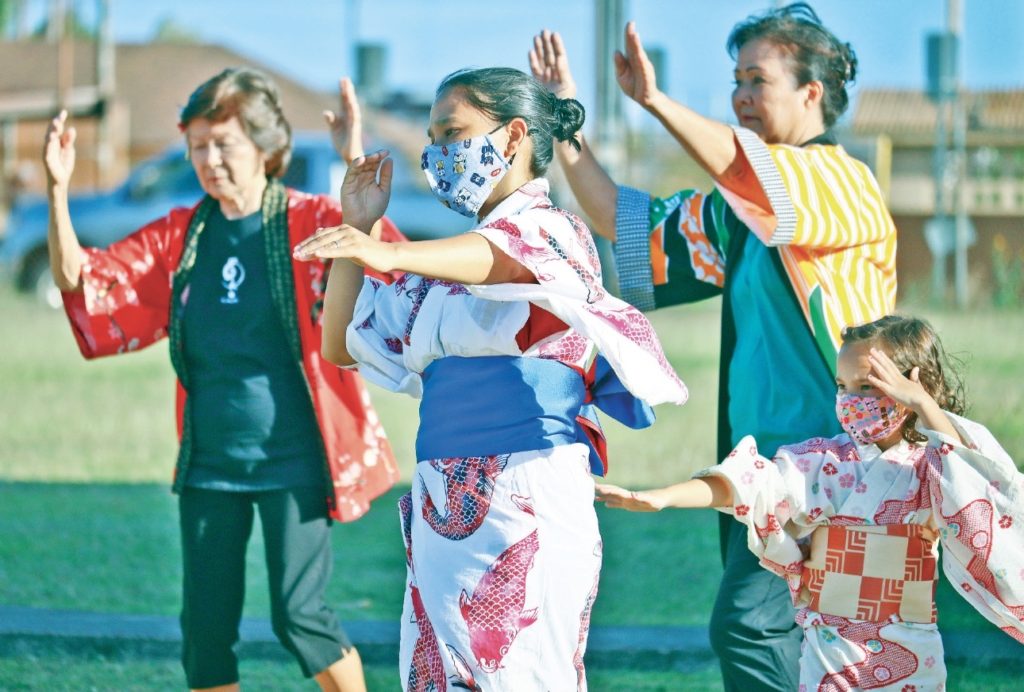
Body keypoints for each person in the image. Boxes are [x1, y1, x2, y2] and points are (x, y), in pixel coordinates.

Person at [530, 4, 898, 688]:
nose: (740, 96)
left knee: (748, 626)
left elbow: (751, 173)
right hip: (760, 462)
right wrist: (565, 119)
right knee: (803, 646)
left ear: (812, 92)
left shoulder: (844, 182)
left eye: (758, 79)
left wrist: (655, 101)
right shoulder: (743, 209)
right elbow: (622, 221)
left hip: (832, 464)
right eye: (736, 80)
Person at [294, 66, 686, 690]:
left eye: (452, 132)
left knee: (522, 672)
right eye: (432, 137)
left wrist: (389, 253)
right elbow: (342, 343)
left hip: (526, 493)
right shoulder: (444, 269)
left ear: (512, 138)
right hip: (443, 497)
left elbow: (502, 256)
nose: (437, 152)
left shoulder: (553, 231)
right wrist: (361, 225)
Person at [44, 67, 403, 692]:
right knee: (204, 632)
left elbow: (384, 269)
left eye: (224, 144)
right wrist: (56, 190)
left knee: (302, 618)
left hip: (296, 457)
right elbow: (86, 281)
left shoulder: (307, 220)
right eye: (198, 146)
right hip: (210, 459)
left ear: (266, 148)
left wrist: (352, 163)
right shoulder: (182, 235)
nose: (209, 160)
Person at [597, 314, 1024, 689]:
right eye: (842, 386)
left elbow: (983, 492)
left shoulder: (937, 464)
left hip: (911, 646)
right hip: (829, 651)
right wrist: (664, 497)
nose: (850, 399)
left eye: (867, 386)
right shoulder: (825, 461)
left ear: (913, 387)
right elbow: (751, 482)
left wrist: (925, 406)